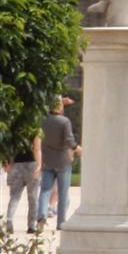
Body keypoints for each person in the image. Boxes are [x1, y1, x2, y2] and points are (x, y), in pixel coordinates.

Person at [36, 99, 78, 232]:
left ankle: (41, 215)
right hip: (62, 161)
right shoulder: (64, 121)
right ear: (60, 107)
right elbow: (69, 140)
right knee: (63, 192)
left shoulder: (43, 120)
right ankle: (60, 222)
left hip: (47, 160)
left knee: (45, 190)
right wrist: (78, 148)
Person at [5, 131, 42, 235]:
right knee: (33, 198)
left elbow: (8, 148)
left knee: (14, 197)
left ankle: (9, 220)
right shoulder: (35, 130)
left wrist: (7, 163)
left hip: (16, 165)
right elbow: (37, 148)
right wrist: (39, 165)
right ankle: (31, 226)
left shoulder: (15, 128)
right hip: (31, 165)